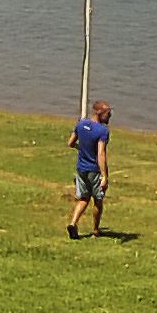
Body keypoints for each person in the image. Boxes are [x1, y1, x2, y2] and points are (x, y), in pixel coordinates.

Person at [66, 100, 111, 239]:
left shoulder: (81, 124)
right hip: (94, 170)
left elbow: (70, 143)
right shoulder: (102, 131)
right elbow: (101, 154)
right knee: (98, 199)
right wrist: (104, 176)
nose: (109, 117)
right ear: (99, 113)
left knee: (84, 198)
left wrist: (81, 149)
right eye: (108, 114)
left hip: (81, 168)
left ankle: (73, 223)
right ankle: (96, 230)